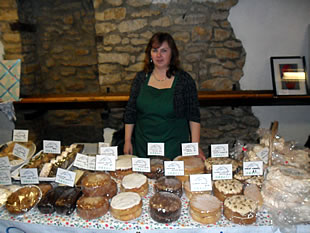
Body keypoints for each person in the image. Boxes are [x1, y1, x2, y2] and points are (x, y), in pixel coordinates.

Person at [123, 32, 205, 160]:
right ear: (150, 53)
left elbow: (193, 115)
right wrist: (127, 140)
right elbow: (131, 112)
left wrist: (195, 146)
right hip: (143, 147)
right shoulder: (140, 78)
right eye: (155, 50)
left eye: (164, 50)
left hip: (173, 148)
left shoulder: (184, 80)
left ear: (172, 53)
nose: (159, 55)